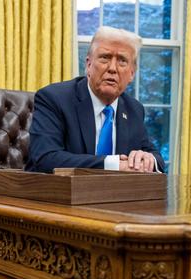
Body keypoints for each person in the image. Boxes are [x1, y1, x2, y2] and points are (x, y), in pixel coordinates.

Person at [27, 26, 165, 173]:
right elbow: (45, 159)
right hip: (56, 193)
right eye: (105, 57)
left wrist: (146, 159)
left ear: (131, 73)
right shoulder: (54, 98)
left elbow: (157, 159)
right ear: (88, 65)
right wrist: (114, 164)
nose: (112, 68)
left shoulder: (133, 109)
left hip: (113, 195)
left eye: (122, 61)